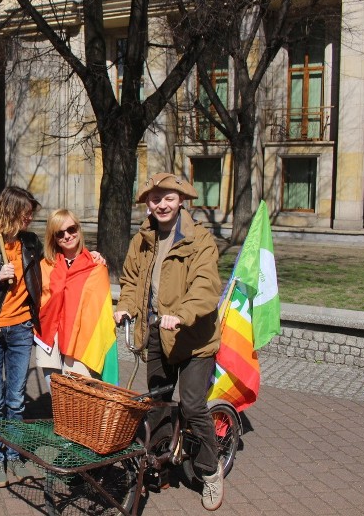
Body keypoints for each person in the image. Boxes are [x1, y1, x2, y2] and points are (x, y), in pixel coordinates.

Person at [112, 172, 224, 511]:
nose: (161, 203)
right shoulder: (142, 240)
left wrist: (184, 313)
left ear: (181, 201)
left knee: (191, 405)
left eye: (168, 197)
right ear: (147, 202)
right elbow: (131, 281)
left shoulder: (200, 240)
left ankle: (210, 470)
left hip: (192, 338)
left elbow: (206, 286)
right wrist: (125, 307)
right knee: (157, 401)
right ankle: (157, 461)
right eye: (155, 198)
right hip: (156, 334)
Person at [0, 186, 41, 487]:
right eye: (26, 212)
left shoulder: (31, 242)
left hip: (21, 329)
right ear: (13, 210)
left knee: (16, 401)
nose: (30, 217)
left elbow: (53, 262)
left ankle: (14, 456)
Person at [35, 209, 118, 393]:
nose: (67, 236)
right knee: (56, 397)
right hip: (51, 339)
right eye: (60, 233)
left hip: (80, 339)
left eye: (71, 229)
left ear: (79, 229)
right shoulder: (45, 266)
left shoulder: (96, 266)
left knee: (76, 399)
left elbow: (100, 311)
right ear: (53, 238)